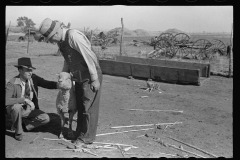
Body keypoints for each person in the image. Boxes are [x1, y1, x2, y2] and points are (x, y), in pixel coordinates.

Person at [38, 18, 102, 147]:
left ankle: (86, 139)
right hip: (77, 77)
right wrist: (64, 75)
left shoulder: (73, 36)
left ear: (56, 33)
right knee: (80, 106)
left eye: (50, 38)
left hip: (89, 75)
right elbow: (68, 59)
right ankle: (79, 133)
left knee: (88, 107)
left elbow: (89, 56)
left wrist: (95, 79)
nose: (51, 41)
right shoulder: (61, 41)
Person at [5, 57, 58, 141]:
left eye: (31, 70)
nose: (30, 72)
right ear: (20, 71)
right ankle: (18, 132)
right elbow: (6, 100)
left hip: (29, 109)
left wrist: (59, 85)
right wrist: (24, 100)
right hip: (15, 109)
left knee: (45, 118)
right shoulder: (12, 83)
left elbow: (46, 83)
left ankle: (24, 126)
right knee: (16, 107)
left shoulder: (33, 78)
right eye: (27, 70)